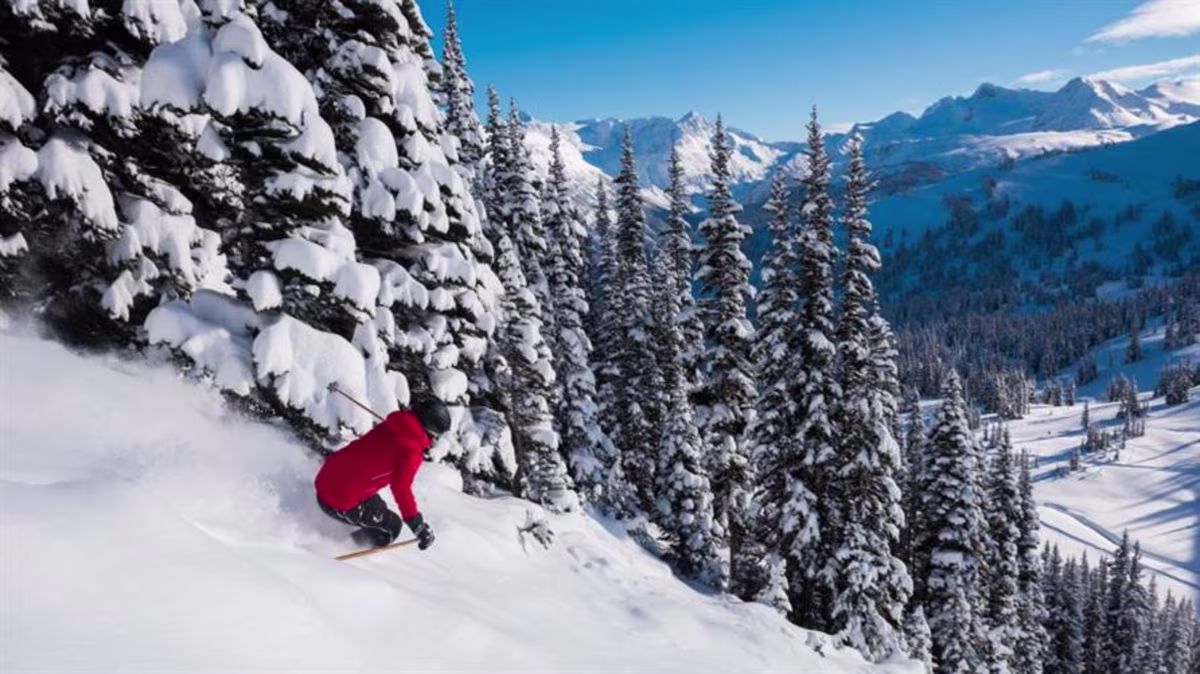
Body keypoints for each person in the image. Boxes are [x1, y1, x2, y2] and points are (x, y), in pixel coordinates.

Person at [315, 394, 451, 550]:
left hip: (326, 478)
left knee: (379, 508)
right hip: (336, 499)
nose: (435, 441)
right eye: (437, 436)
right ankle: (336, 548)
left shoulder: (394, 424)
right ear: (429, 429)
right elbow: (401, 488)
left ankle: (345, 530)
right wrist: (416, 524)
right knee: (391, 528)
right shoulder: (411, 451)